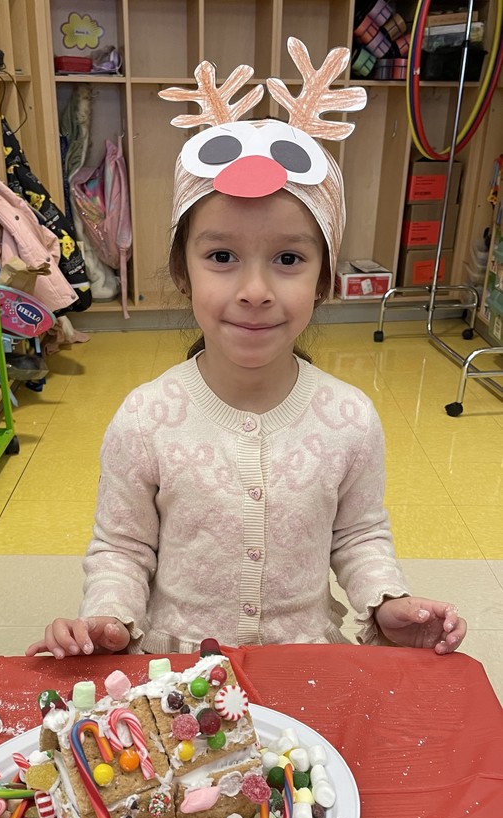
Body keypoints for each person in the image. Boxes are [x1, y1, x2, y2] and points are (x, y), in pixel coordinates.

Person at [26, 38, 466, 662]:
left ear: (323, 279)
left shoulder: (350, 420)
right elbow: (122, 548)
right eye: (222, 257)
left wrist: (387, 602)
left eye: (288, 259)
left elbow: (359, 535)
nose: (254, 291)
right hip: (178, 674)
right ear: (182, 271)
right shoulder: (146, 419)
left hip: (306, 667)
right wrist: (107, 618)